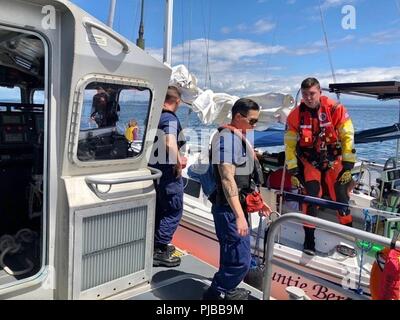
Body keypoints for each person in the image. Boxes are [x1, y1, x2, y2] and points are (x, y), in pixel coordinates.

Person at [203, 98, 272, 300]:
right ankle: (215, 294)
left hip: (236, 207)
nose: (254, 126)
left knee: (231, 254)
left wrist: (259, 202)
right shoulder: (227, 140)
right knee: (241, 260)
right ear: (238, 117)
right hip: (229, 210)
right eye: (252, 121)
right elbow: (227, 178)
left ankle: (227, 290)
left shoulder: (237, 138)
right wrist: (240, 216)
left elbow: (244, 180)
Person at [284, 77, 356, 256]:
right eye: (305, 94)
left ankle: (350, 234)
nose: (308, 97)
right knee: (310, 198)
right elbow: (289, 144)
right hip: (310, 162)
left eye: (312, 93)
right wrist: (293, 169)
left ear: (320, 92)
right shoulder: (295, 115)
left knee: (340, 195)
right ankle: (309, 240)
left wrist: (348, 165)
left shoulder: (335, 109)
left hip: (334, 160)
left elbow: (347, 135)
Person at [152, 86, 187, 267]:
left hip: (156, 173)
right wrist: (178, 162)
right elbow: (169, 142)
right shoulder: (169, 118)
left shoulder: (156, 117)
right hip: (167, 174)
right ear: (177, 101)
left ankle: (155, 245)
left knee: (161, 209)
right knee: (174, 210)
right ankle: (159, 249)